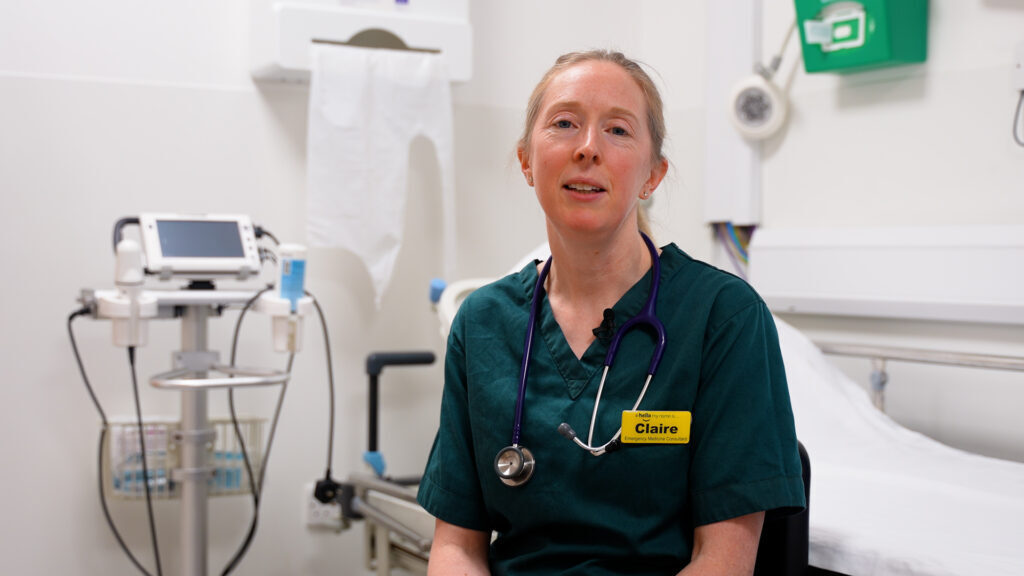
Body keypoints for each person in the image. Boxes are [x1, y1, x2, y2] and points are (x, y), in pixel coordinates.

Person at [417, 50, 805, 576]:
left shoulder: (723, 317)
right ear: (527, 161)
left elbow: (724, 563)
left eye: (618, 130)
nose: (587, 148)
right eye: (564, 123)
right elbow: (456, 549)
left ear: (653, 173)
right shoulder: (482, 323)